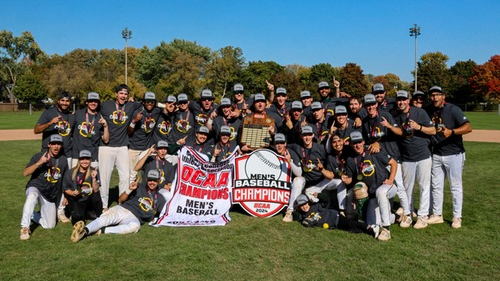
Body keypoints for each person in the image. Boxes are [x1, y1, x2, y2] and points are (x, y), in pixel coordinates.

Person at [71, 169, 166, 242]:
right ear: (146, 179)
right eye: (150, 180)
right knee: (105, 219)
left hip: (135, 218)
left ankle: (102, 231)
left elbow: (164, 214)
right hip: (123, 209)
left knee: (135, 226)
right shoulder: (138, 186)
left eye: (154, 180)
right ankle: (84, 231)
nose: (152, 182)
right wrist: (129, 190)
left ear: (158, 181)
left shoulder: (160, 198)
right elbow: (121, 200)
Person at [425, 86, 472, 229]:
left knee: (455, 186)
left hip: (454, 153)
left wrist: (452, 132)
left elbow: (468, 127)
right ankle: (437, 214)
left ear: (443, 96)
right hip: (437, 153)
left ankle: (457, 216)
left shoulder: (453, 109)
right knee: (436, 186)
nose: (434, 97)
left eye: (437, 95)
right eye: (432, 95)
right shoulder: (429, 110)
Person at [362, 93, 411, 228]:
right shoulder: (366, 122)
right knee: (384, 186)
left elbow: (401, 132)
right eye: (368, 105)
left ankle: (407, 214)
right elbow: (366, 142)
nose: (370, 107)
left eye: (372, 104)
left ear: (376, 104)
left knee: (399, 185)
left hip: (392, 156)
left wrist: (389, 126)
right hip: (378, 159)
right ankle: (390, 214)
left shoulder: (385, 116)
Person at [391, 90, 436, 229]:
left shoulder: (419, 112)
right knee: (407, 188)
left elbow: (433, 130)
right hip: (407, 157)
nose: (401, 102)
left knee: (424, 186)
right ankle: (409, 214)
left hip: (423, 155)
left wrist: (419, 127)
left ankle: (422, 216)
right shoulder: (395, 115)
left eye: (404, 99)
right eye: (399, 99)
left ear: (408, 100)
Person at [343, 131, 398, 241]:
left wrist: (391, 179)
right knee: (371, 223)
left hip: (386, 185)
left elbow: (394, 163)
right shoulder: (350, 159)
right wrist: (345, 180)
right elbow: (351, 179)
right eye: (354, 143)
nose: (357, 145)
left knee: (381, 192)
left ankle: (386, 229)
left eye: (359, 142)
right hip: (372, 193)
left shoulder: (373, 151)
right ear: (351, 144)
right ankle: (395, 216)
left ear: (363, 142)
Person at [98, 84, 141, 211]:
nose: (123, 96)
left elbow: (143, 105)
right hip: (106, 146)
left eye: (126, 94)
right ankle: (104, 205)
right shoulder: (106, 105)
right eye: (121, 93)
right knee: (105, 177)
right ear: (116, 94)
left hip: (123, 146)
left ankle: (122, 203)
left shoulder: (131, 106)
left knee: (125, 176)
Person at [20, 135, 69, 240]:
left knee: (49, 225)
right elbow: (25, 173)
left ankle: (31, 214)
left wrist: (66, 196)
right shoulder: (39, 156)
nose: (56, 146)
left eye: (59, 144)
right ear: (49, 144)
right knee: (32, 196)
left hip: (49, 195)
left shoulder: (63, 160)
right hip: (36, 187)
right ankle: (25, 227)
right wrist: (39, 163)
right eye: (54, 144)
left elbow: (65, 180)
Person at [287, 126, 337, 203]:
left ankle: (342, 210)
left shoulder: (321, 148)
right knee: (314, 201)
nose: (307, 138)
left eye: (309, 135)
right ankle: (291, 209)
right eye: (305, 135)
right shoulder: (297, 147)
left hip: (322, 181)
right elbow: (282, 146)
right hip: (308, 184)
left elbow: (332, 153)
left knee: (339, 183)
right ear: (301, 136)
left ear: (313, 135)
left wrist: (323, 168)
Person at [293, 193, 379, 237]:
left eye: (305, 204)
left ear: (308, 202)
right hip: (334, 225)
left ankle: (370, 228)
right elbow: (296, 216)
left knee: (350, 223)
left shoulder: (316, 206)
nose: (304, 207)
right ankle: (367, 231)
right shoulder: (303, 216)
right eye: (301, 206)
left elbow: (326, 200)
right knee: (352, 230)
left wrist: (319, 195)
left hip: (336, 216)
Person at [128, 92, 162, 183]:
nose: (150, 104)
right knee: (132, 174)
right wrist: (134, 121)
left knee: (147, 172)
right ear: (143, 102)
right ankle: (129, 195)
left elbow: (166, 107)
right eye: (147, 102)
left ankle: (144, 193)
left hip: (147, 148)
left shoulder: (156, 111)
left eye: (152, 102)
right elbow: (129, 132)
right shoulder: (137, 111)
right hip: (134, 147)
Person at [63, 150, 102, 225]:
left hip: (88, 199)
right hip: (77, 199)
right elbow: (65, 188)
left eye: (87, 159)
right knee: (77, 219)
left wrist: (94, 179)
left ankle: (89, 213)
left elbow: (96, 190)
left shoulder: (93, 171)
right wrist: (72, 193)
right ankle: (76, 214)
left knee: (96, 197)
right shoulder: (71, 172)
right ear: (79, 160)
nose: (85, 161)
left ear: (90, 160)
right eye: (82, 159)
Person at [34, 91, 75, 162]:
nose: (64, 103)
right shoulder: (48, 113)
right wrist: (50, 123)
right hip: (49, 153)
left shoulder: (72, 116)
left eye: (67, 101)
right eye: (62, 100)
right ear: (58, 101)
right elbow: (36, 130)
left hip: (67, 154)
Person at [71, 92, 109, 168]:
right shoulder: (77, 114)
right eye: (91, 101)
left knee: (92, 179)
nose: (93, 103)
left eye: (95, 101)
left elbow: (106, 140)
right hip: (77, 155)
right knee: (75, 179)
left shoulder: (100, 117)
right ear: (87, 102)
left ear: (98, 103)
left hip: (92, 156)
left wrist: (105, 126)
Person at [271, 133, 303, 222]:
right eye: (277, 143)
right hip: (279, 184)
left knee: (298, 180)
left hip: (292, 183)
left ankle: (290, 211)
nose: (279, 145)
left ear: (285, 144)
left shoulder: (291, 153)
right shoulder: (271, 152)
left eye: (281, 143)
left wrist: (290, 162)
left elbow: (299, 173)